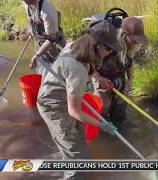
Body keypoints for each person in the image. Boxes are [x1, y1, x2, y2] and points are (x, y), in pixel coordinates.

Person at [37, 20, 121, 180]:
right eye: (109, 48)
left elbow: (86, 65)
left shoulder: (79, 45)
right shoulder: (77, 70)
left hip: (64, 94)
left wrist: (98, 77)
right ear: (98, 45)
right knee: (76, 158)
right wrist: (101, 124)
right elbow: (73, 111)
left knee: (77, 139)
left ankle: (68, 158)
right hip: (53, 106)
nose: (111, 53)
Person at [92, 17, 148, 124]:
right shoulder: (107, 41)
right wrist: (99, 79)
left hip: (120, 79)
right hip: (102, 79)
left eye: (137, 41)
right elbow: (89, 65)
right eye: (133, 40)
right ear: (124, 35)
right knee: (101, 113)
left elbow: (130, 62)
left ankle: (121, 132)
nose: (135, 43)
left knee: (120, 113)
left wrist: (130, 79)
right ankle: (103, 137)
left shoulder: (132, 44)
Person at [22, 0, 66, 75]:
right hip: (39, 45)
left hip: (55, 46)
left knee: (59, 76)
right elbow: (30, 17)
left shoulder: (47, 9)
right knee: (41, 76)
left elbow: (51, 39)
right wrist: (30, 31)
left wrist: (37, 55)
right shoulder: (26, 3)